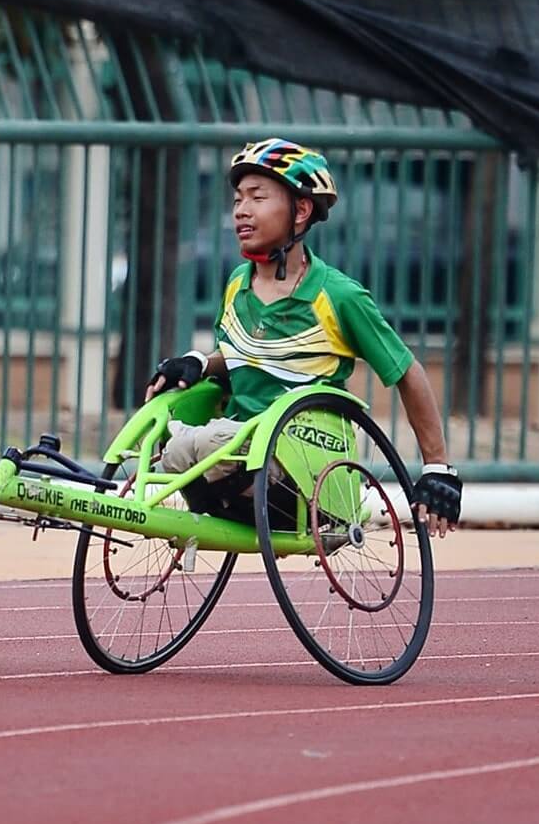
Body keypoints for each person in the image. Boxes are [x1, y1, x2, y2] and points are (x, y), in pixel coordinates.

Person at [144, 139, 463, 537]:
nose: (241, 210)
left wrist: (437, 468)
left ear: (301, 210)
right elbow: (249, 356)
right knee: (166, 443)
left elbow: (407, 372)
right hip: (236, 461)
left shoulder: (339, 296)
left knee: (207, 442)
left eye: (257, 197)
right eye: (238, 199)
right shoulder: (237, 285)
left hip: (300, 475)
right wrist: (199, 363)